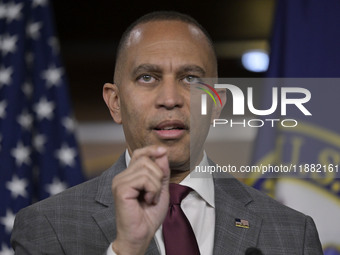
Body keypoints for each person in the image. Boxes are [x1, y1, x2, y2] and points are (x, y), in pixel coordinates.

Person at [11, 11, 323, 255]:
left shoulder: (293, 233)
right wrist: (126, 250)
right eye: (147, 77)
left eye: (190, 78)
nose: (170, 98)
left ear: (217, 105)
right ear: (115, 102)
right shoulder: (47, 226)